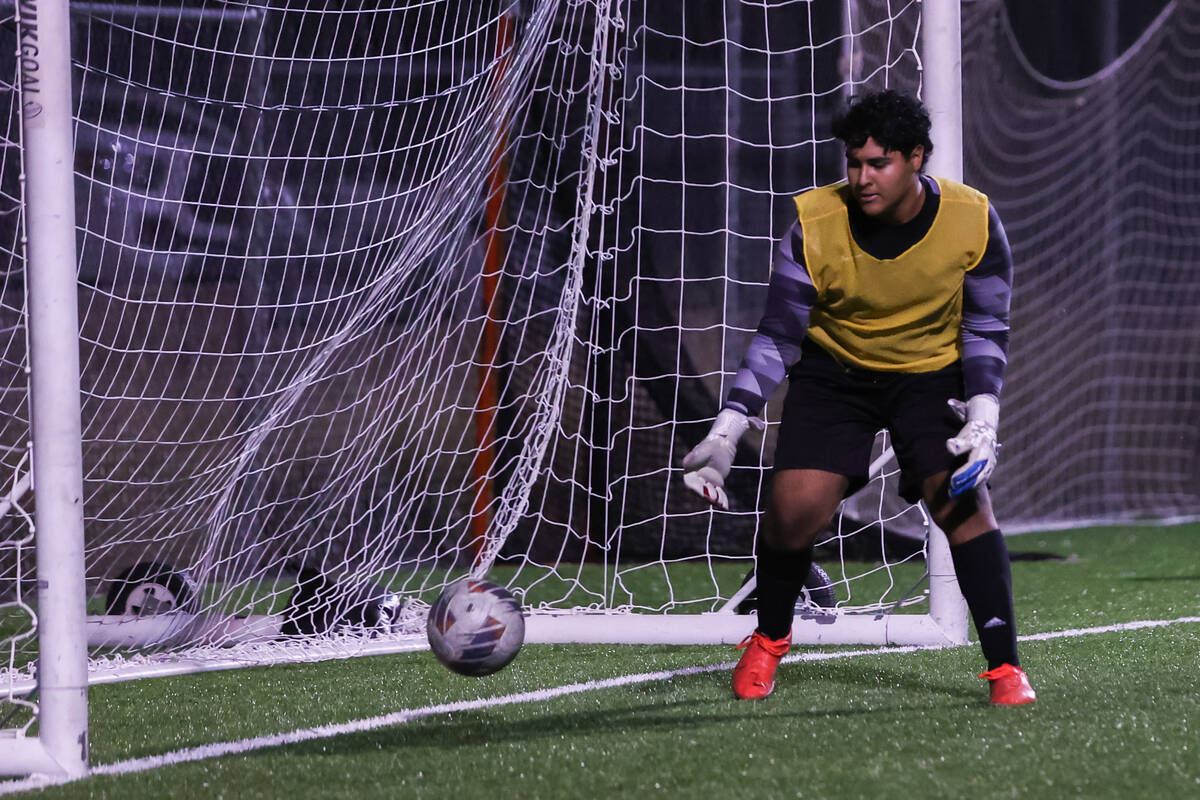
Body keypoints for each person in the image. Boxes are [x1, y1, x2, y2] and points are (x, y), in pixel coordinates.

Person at [681, 89, 1035, 706]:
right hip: (835, 374)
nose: (862, 177)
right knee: (793, 510)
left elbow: (985, 328)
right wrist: (728, 429)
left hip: (929, 375)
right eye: (854, 162)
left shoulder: (973, 218)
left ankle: (1005, 669)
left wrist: (983, 418)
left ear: (917, 158)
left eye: (880, 163)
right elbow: (777, 337)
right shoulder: (814, 225)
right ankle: (769, 639)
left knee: (962, 503)